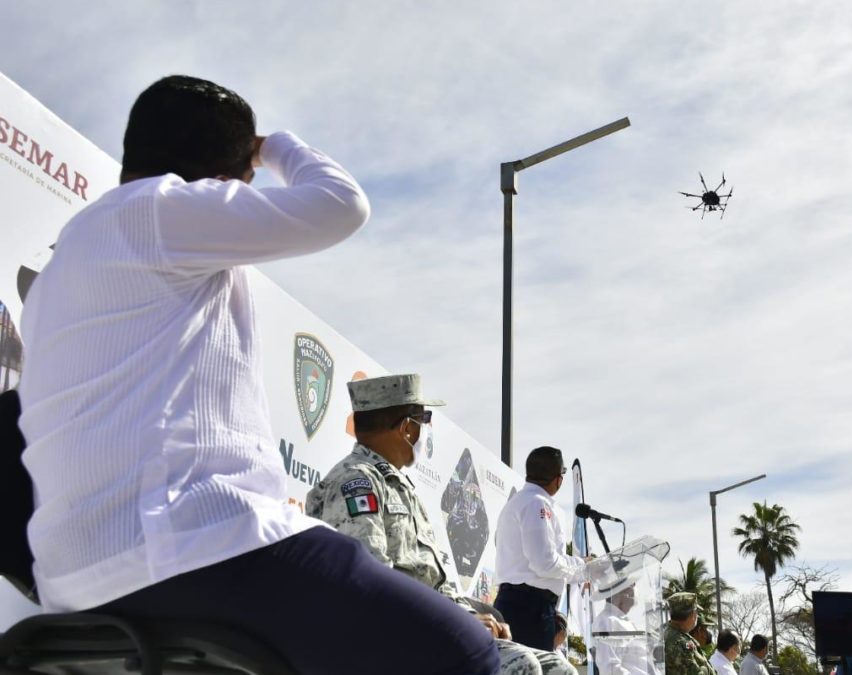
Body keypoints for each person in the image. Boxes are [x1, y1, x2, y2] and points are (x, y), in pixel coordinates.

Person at [16, 75, 498, 675]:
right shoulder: (160, 210)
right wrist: (274, 147)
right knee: (464, 650)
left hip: (74, 576)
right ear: (231, 175)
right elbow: (342, 203)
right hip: (185, 543)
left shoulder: (67, 263)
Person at [306, 373, 573, 675]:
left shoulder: (399, 487)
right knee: (521, 666)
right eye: (424, 419)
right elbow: (369, 583)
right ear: (407, 428)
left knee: (558, 669)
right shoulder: (355, 483)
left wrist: (472, 614)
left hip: (429, 628)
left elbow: (436, 580)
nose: (426, 430)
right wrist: (455, 620)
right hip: (394, 637)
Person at [494, 446, 591, 651]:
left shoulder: (520, 502)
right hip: (527, 608)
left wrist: (582, 572)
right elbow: (544, 564)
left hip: (523, 605)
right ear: (559, 479)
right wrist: (582, 566)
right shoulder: (536, 504)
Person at [593, 578, 649, 675]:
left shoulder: (618, 620)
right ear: (622, 592)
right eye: (632, 585)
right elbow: (610, 669)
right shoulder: (608, 621)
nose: (635, 589)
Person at [665, 592, 717, 675]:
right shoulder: (680, 642)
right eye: (696, 612)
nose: (697, 615)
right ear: (692, 614)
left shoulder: (674, 634)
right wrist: (705, 670)